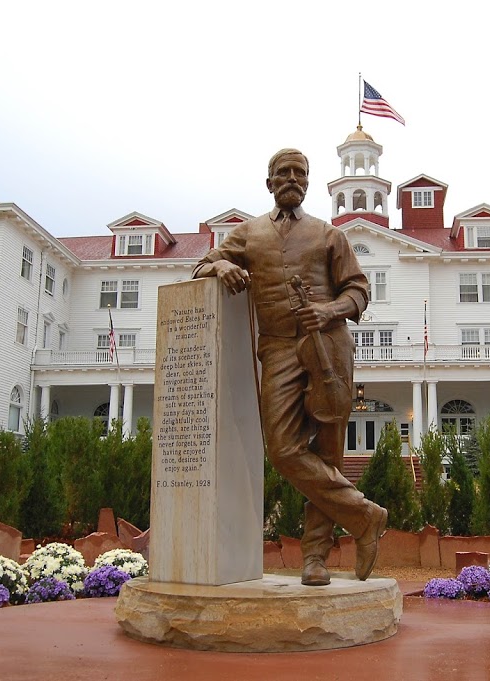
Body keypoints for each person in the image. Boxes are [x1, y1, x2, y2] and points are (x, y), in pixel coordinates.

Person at [193, 148, 388, 586]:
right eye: (283, 173)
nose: (292, 179)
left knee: (328, 454)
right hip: (278, 348)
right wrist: (222, 263)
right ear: (269, 183)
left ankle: (315, 559)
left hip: (329, 348)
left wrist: (329, 311)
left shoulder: (327, 234)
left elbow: (358, 290)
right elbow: (201, 264)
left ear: (307, 182)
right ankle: (364, 516)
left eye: (300, 173)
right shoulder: (248, 234)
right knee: (283, 451)